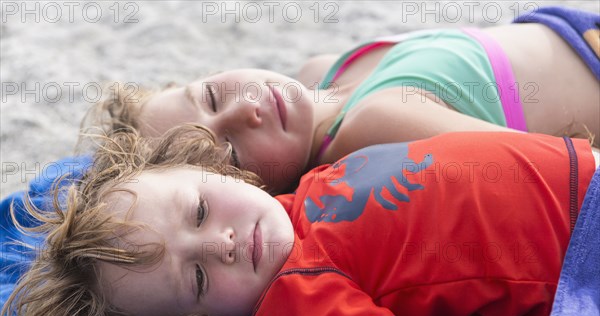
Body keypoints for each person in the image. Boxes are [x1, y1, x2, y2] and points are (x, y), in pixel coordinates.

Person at [3, 124, 598, 316]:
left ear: (212, 166)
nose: (221, 244)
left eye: (201, 210)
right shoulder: (297, 299)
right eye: (200, 277)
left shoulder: (301, 191)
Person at [84, 6, 600, 193]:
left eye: (213, 94)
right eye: (233, 150)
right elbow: (567, 168)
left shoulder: (320, 72)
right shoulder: (370, 129)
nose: (244, 110)